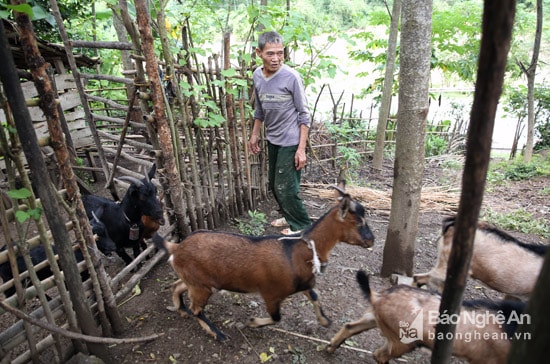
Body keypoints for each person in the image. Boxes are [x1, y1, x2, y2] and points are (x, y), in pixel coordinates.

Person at [248, 31, 312, 235]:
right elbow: (259, 109)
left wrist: (301, 149)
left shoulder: (291, 77)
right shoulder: (257, 75)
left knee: (286, 188)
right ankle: (288, 215)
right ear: (259, 53)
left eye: (280, 53)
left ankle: (302, 228)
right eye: (270, 54)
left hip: (291, 140)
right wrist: (255, 134)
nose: (276, 59)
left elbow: (304, 114)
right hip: (273, 138)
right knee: (276, 185)